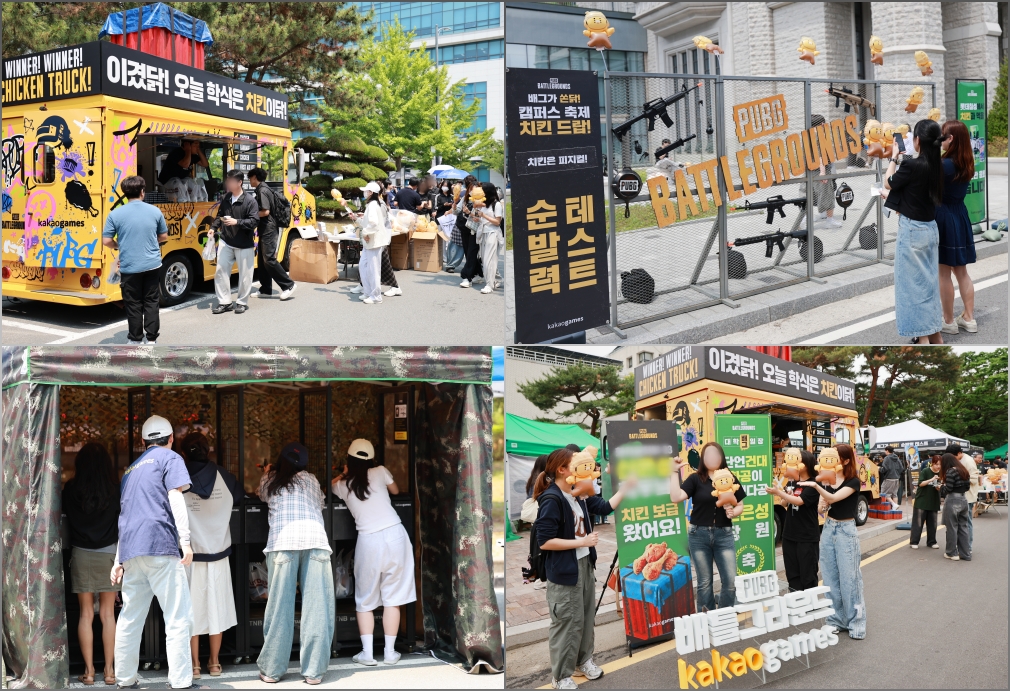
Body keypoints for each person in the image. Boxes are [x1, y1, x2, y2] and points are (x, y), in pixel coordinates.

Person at [534, 447, 631, 690]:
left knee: (586, 617)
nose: (588, 471)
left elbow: (606, 506)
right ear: (563, 469)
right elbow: (544, 541)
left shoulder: (578, 495)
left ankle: (583, 661)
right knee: (567, 621)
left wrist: (626, 487)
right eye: (580, 465)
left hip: (585, 565)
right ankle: (560, 675)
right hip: (565, 570)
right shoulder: (552, 498)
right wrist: (582, 542)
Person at [111, 415, 196, 689]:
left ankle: (124, 679)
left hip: (132, 551)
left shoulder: (130, 470)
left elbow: (125, 515)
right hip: (161, 545)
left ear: (143, 442)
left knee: (130, 617)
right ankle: (181, 681)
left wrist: (118, 560)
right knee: (177, 616)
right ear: (171, 439)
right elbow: (175, 497)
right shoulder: (170, 459)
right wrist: (185, 541)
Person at [331, 440, 415, 666]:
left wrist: (344, 474)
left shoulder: (343, 485)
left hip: (369, 541)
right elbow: (395, 490)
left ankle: (367, 654)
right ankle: (389, 653)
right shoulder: (380, 472)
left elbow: (330, 485)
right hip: (395, 535)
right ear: (371, 459)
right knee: (393, 598)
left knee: (365, 598)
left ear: (348, 460)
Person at [256, 443, 334, 685]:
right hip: (316, 540)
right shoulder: (310, 479)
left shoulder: (271, 478)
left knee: (280, 606)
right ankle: (314, 672)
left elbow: (261, 495)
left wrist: (267, 471)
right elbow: (320, 503)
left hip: (283, 541)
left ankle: (272, 670)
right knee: (317, 607)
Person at [180, 432, 244, 680]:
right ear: (209, 451)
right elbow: (239, 497)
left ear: (184, 453)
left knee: (192, 611)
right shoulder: (225, 477)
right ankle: (215, 663)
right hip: (218, 555)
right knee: (217, 609)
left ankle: (194, 665)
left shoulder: (179, 477)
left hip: (190, 556)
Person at [62, 442, 121, 687]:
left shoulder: (71, 490)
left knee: (86, 614)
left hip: (82, 554)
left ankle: (88, 672)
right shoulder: (115, 489)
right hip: (109, 555)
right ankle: (109, 671)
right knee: (108, 614)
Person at [883, 118, 945, 344]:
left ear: (918, 140)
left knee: (912, 288)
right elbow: (915, 194)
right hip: (930, 229)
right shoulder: (937, 165)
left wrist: (893, 157)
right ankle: (935, 335)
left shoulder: (911, 166)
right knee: (928, 284)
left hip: (912, 232)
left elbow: (889, 182)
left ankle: (923, 340)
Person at [797, 444, 866, 640]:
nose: (830, 459)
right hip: (828, 529)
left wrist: (817, 486)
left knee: (850, 580)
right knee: (829, 578)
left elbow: (835, 498)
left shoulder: (853, 481)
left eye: (835, 456)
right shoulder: (827, 480)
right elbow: (823, 508)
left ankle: (856, 623)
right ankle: (836, 620)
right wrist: (821, 503)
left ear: (844, 460)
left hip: (846, 531)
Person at [669, 442, 746, 612]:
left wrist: (735, 512)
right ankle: (707, 618)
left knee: (731, 580)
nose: (712, 458)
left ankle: (724, 616)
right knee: (704, 582)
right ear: (703, 459)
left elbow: (740, 505)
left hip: (724, 535)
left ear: (721, 457)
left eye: (715, 454)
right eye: (708, 455)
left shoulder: (730, 477)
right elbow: (675, 497)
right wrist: (674, 471)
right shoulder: (695, 479)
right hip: (698, 535)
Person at [102, 175, 168, 344]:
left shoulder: (115, 214)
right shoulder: (155, 211)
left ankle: (135, 339)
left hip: (129, 266)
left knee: (133, 303)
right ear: (142, 192)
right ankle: (151, 339)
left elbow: (106, 241)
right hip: (152, 265)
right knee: (151, 301)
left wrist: (119, 245)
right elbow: (163, 236)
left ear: (125, 194)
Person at [936, 120, 978, 334]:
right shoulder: (967, 161)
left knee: (943, 272)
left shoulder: (944, 165)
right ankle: (969, 319)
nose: (941, 140)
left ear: (950, 139)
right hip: (960, 215)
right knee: (962, 272)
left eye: (943, 136)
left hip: (944, 216)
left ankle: (949, 320)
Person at [767, 450, 820, 591]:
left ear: (804, 464)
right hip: (789, 535)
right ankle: (796, 605)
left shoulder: (813, 484)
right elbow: (785, 504)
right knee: (792, 573)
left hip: (807, 536)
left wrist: (779, 493)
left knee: (808, 574)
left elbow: (800, 501)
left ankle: (810, 607)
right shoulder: (793, 482)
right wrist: (784, 494)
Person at [210, 170, 259, 315]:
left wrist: (237, 222)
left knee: (245, 275)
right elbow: (219, 215)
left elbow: (254, 221)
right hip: (226, 240)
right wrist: (213, 228)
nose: (228, 184)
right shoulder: (226, 198)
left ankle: (242, 302)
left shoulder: (250, 201)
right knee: (220, 271)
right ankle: (225, 302)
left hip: (244, 243)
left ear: (239, 183)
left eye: (231, 181)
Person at [248, 168, 296, 301]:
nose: (249, 180)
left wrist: (251, 215)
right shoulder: (264, 189)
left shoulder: (262, 190)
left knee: (269, 259)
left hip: (268, 228)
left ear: (255, 178)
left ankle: (288, 285)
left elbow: (265, 211)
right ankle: (265, 289)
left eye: (250, 178)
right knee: (262, 260)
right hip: (266, 228)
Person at [355, 181, 391, 305]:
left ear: (371, 192)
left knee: (373, 269)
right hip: (371, 241)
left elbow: (373, 224)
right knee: (364, 266)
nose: (364, 192)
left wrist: (365, 233)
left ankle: (376, 296)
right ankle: (368, 291)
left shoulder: (373, 205)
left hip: (374, 241)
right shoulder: (373, 204)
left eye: (366, 191)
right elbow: (369, 222)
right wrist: (358, 220)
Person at [946, 442, 979, 551]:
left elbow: (974, 478)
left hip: (967, 496)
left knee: (965, 523)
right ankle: (961, 547)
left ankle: (967, 547)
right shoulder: (959, 460)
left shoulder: (968, 461)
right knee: (959, 523)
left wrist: (958, 481)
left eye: (954, 456)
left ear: (960, 453)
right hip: (960, 496)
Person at [939, 452, 971, 561]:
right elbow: (967, 487)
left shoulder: (950, 471)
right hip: (964, 499)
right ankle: (966, 553)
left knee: (952, 527)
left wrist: (941, 488)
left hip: (953, 500)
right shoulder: (963, 470)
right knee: (963, 527)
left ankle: (952, 553)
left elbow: (948, 489)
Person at [475, 182, 503, 294]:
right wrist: (476, 217)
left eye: (482, 192)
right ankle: (497, 280)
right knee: (485, 259)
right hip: (483, 233)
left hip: (493, 234)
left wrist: (484, 216)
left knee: (489, 261)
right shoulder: (484, 204)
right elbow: (481, 219)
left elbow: (497, 222)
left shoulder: (497, 205)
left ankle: (489, 285)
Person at [457, 176, 484, 289]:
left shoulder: (482, 201)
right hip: (464, 228)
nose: (473, 191)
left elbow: (480, 217)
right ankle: (479, 273)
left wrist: (469, 213)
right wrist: (453, 207)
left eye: (476, 189)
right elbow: (456, 210)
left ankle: (467, 277)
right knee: (468, 252)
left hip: (475, 230)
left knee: (472, 252)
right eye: (471, 189)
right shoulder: (465, 199)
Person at [909, 454, 941, 549]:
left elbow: (941, 486)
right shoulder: (926, 471)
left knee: (933, 523)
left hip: (933, 500)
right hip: (922, 500)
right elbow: (920, 483)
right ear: (932, 463)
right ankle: (914, 542)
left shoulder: (942, 473)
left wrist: (939, 487)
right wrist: (932, 479)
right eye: (936, 464)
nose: (938, 466)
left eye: (940, 464)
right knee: (918, 522)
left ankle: (931, 542)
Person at [878, 446, 904, 511]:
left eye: (885, 451)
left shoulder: (887, 458)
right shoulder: (897, 458)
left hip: (889, 478)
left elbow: (884, 469)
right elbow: (901, 468)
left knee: (884, 493)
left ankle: (894, 504)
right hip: (896, 478)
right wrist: (897, 474)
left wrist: (879, 469)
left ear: (887, 451)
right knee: (894, 494)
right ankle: (895, 508)